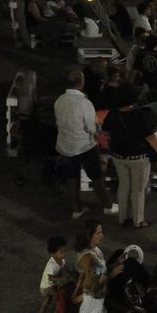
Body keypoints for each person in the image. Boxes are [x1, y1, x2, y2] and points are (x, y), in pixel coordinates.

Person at [105, 85, 157, 229]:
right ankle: (138, 221)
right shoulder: (139, 115)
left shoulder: (112, 114)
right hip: (138, 157)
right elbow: (150, 137)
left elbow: (106, 133)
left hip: (119, 156)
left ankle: (122, 218)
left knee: (123, 186)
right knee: (138, 190)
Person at [55, 69, 104, 219]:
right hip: (84, 146)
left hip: (65, 145)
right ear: (81, 83)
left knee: (72, 177)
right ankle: (107, 205)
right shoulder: (84, 103)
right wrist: (99, 132)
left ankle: (76, 209)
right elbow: (92, 127)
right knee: (96, 177)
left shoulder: (59, 100)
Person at [37, 235, 72, 313]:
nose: (64, 254)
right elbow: (50, 277)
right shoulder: (51, 265)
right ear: (53, 253)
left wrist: (71, 272)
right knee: (60, 297)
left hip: (52, 285)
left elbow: (65, 267)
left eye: (65, 251)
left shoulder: (62, 259)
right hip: (46, 286)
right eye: (61, 252)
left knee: (47, 301)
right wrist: (62, 278)